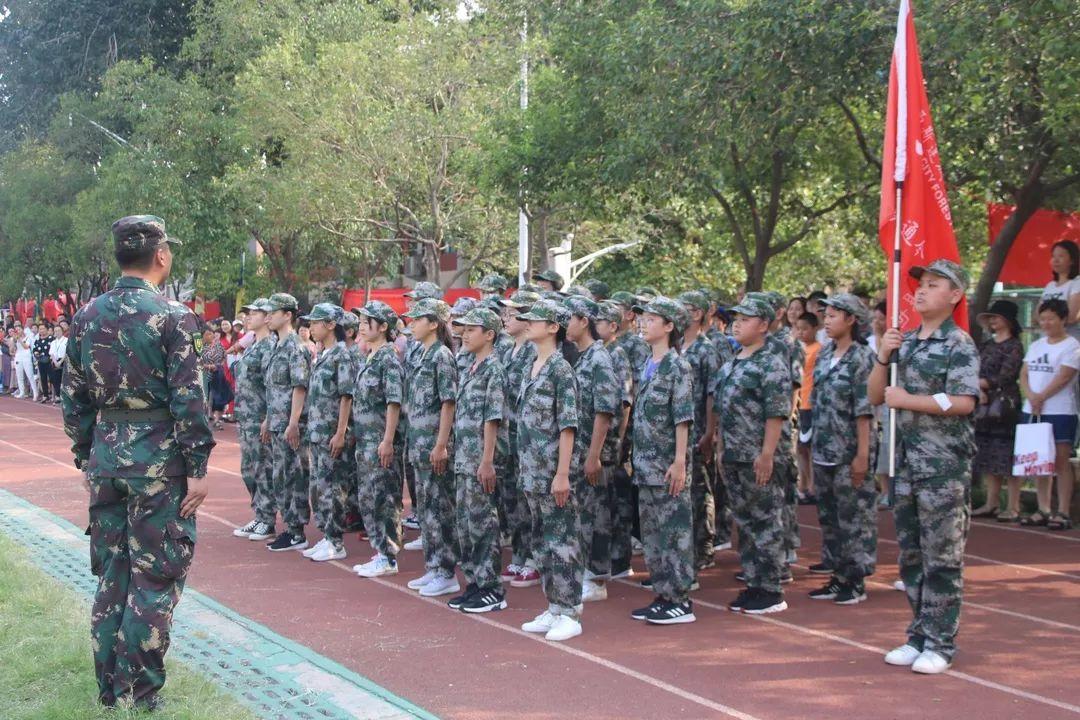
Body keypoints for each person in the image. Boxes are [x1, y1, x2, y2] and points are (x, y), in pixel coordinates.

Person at [61, 214, 214, 710]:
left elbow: (73, 399)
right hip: (159, 469)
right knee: (155, 577)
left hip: (107, 462)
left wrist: (89, 456)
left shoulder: (87, 316)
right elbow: (190, 400)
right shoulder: (173, 317)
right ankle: (142, 695)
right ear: (161, 255)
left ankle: (110, 691)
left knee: (112, 575)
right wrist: (198, 468)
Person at [869, 259, 980, 675]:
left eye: (934, 285)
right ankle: (918, 633)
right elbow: (876, 395)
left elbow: (964, 401)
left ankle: (941, 642)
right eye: (921, 284)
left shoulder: (959, 344)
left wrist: (910, 401)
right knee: (911, 556)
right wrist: (883, 353)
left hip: (943, 467)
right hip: (907, 465)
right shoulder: (907, 341)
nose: (921, 290)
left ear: (954, 296)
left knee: (943, 557)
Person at [715, 295, 791, 615]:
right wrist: (720, 448)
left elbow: (776, 414)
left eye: (745, 319)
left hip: (757, 456)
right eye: (736, 318)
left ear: (763, 325)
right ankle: (754, 582)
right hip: (734, 454)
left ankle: (771, 589)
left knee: (765, 522)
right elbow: (722, 409)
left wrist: (767, 454)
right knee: (744, 523)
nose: (737, 323)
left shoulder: (770, 362)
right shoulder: (733, 361)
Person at [515, 299, 583, 638]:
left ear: (553, 327)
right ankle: (553, 606)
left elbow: (567, 426)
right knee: (541, 541)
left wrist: (562, 473)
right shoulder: (532, 364)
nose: (527, 323)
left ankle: (569, 611)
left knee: (562, 541)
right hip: (531, 470)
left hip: (552, 472)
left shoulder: (560, 369)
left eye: (534, 320)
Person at [627, 297, 696, 625]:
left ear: (669, 326)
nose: (644, 323)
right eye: (644, 318)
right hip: (645, 465)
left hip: (667, 464)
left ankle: (680, 599)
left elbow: (682, 417)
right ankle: (663, 593)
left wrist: (680, 460)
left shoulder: (677, 365)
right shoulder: (647, 362)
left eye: (652, 319)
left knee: (674, 532)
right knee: (653, 535)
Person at [807, 294, 878, 605]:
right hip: (824, 449)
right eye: (827, 313)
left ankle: (855, 579)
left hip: (849, 451)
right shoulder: (824, 356)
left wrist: (862, 455)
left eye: (835, 314)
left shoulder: (862, 358)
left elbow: (864, 412)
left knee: (853, 517)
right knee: (829, 516)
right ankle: (837, 575)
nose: (828, 319)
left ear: (851, 320)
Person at [447, 307, 509, 613]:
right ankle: (474, 582)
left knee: (483, 523)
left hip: (479, 461)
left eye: (472, 329)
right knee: (466, 524)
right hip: (464, 459)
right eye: (463, 328)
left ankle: (491, 588)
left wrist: (487, 461)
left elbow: (492, 419)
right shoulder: (472, 366)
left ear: (489, 335)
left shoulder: (494, 369)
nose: (464, 333)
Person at [400, 298, 460, 597]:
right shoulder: (422, 354)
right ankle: (434, 566)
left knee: (440, 509)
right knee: (425, 509)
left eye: (418, 318)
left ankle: (446, 571)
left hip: (434, 445)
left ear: (434, 323)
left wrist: (441, 445)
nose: (411, 323)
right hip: (418, 443)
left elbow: (448, 403)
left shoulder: (441, 356)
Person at [565, 296, 620, 603]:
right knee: (583, 514)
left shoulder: (599, 358)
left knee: (596, 514)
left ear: (583, 322)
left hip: (595, 452)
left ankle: (597, 578)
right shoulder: (581, 356)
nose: (565, 325)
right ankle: (586, 570)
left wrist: (594, 455)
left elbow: (604, 411)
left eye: (569, 319)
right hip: (581, 449)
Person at [351, 301, 406, 577]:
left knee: (384, 498)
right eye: (360, 320)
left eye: (367, 320)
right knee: (369, 498)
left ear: (383, 327)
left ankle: (388, 555)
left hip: (380, 441)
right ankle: (379, 551)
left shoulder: (388, 358)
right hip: (365, 442)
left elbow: (393, 403)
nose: (361, 324)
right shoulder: (369, 357)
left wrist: (387, 440)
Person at [300, 303, 357, 562]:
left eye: (316, 322)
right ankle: (326, 535)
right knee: (320, 487)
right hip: (318, 433)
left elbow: (346, 396)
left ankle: (336, 541)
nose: (311, 327)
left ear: (332, 325)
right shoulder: (323, 353)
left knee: (334, 488)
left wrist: (341, 432)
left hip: (332, 433)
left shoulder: (341, 355)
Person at [1018, 299, 1078, 531]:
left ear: (1063, 319)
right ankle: (1043, 508)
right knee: (1038, 461)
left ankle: (1062, 510)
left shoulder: (1072, 346)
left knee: (1061, 462)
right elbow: (1024, 373)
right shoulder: (1036, 345)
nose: (1046, 323)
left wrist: (1041, 396)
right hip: (1032, 410)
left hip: (1060, 410)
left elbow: (1064, 377)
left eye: (1051, 318)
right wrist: (1031, 395)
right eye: (1042, 318)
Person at [496, 289, 542, 588]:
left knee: (529, 502)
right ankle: (520, 554)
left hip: (526, 439)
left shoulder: (533, 352)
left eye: (513, 314)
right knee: (511, 500)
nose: (506, 318)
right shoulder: (505, 349)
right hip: (505, 438)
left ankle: (534, 558)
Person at [262, 293, 312, 553]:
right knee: (280, 477)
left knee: (294, 476)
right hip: (278, 423)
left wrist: (293, 423)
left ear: (288, 315)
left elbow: (299, 388)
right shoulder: (276, 346)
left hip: (291, 426)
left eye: (274, 311)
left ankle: (297, 531)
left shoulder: (295, 347)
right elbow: (274, 389)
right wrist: (269, 420)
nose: (268, 316)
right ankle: (290, 526)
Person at [676, 291, 719, 575]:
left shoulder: (706, 349)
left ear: (696, 314)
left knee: (699, 492)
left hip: (698, 430)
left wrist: (710, 432)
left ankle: (703, 548)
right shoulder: (677, 345)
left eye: (684, 309)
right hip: (678, 433)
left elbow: (712, 395)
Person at [971, 301, 1024, 522]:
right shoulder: (986, 345)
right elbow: (974, 367)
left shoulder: (1014, 346)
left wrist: (982, 384)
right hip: (984, 404)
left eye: (996, 317)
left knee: (1009, 454)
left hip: (1005, 404)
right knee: (988, 453)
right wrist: (978, 388)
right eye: (990, 317)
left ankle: (1013, 505)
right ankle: (991, 502)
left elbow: (1007, 375)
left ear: (1008, 321)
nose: (992, 321)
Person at [231, 299, 277, 542]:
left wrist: (268, 418)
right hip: (245, 416)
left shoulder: (269, 346)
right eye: (247, 313)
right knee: (249, 468)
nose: (248, 317)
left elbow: (272, 386)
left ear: (267, 317)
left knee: (262, 467)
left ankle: (267, 518)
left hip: (259, 416)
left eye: (253, 313)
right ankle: (259, 514)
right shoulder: (252, 345)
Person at [596, 301, 635, 577]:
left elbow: (624, 402)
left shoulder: (616, 354)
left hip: (611, 442)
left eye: (600, 321)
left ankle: (620, 559)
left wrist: (620, 442)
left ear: (613, 326)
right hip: (602, 441)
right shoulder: (597, 352)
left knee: (613, 500)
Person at [795, 312, 822, 505]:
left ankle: (813, 486)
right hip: (798, 403)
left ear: (815, 329)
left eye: (805, 328)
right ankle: (802, 485)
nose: (801, 332)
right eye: (799, 328)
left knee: (810, 447)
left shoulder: (818, 349)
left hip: (810, 403)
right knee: (800, 447)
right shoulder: (796, 348)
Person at [1041, 240, 1080, 341]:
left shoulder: (1077, 283)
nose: (1056, 260)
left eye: (1061, 256)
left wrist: (1047, 320)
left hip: (1068, 340)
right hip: (1046, 340)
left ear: (1072, 260)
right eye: (1053, 256)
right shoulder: (1050, 285)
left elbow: (1072, 317)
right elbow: (1037, 315)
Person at [13, 320, 37, 400]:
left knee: (30, 375)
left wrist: (19, 339)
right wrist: (14, 341)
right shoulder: (15, 339)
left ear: (22, 330)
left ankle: (35, 393)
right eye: (16, 330)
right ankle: (22, 392)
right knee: (19, 376)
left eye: (19, 329)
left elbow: (26, 346)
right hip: (18, 357)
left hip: (26, 357)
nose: (18, 331)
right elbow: (13, 349)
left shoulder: (28, 337)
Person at [33, 322, 53, 402]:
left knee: (52, 378)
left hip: (50, 361)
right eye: (40, 329)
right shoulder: (37, 341)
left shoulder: (52, 339)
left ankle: (55, 395)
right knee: (43, 378)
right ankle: (45, 395)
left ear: (47, 330)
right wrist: (35, 353)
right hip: (41, 361)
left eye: (43, 329)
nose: (41, 331)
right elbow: (34, 350)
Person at [48, 324, 67, 403]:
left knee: (64, 380)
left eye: (59, 330)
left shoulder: (66, 340)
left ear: (62, 331)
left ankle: (64, 397)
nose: (57, 332)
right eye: (55, 331)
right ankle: (58, 396)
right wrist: (56, 362)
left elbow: (67, 352)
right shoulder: (53, 342)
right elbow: (51, 353)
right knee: (55, 380)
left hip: (63, 361)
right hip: (55, 361)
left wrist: (60, 362)